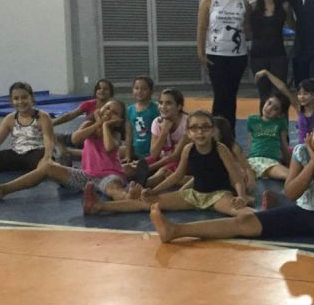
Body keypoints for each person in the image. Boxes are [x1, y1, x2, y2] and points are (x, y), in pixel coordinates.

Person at [148, 114, 314, 278]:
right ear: (310, 134)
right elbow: (291, 192)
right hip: (303, 211)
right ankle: (176, 230)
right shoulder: (301, 151)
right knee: (244, 221)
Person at [83, 110, 251, 217]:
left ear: (213, 131)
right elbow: (177, 175)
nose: (200, 132)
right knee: (146, 203)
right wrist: (154, 191)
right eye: (194, 128)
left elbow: (235, 177)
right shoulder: (188, 149)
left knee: (237, 210)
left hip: (218, 195)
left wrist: (241, 196)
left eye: (205, 127)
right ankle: (99, 206)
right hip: (194, 195)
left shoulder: (220, 148)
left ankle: (261, 213)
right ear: (188, 133)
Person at [0, 99, 129, 201]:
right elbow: (75, 139)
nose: (109, 112)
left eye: (114, 112)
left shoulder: (114, 133)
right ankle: (3, 189)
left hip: (109, 175)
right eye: (107, 108)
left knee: (113, 189)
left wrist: (105, 126)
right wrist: (97, 124)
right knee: (48, 168)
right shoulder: (89, 125)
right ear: (100, 109)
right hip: (86, 176)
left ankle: (130, 198)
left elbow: (109, 146)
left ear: (119, 120)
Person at [197, 0, 251, 132]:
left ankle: (229, 133)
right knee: (220, 95)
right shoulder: (209, 0)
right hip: (215, 55)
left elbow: (248, 30)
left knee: (231, 96)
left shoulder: (244, 3)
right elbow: (202, 28)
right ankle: (215, 133)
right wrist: (201, 52)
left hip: (238, 57)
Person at [253, 69, 314, 144]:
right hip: (301, 148)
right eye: (299, 94)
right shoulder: (299, 108)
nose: (301, 97)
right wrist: (267, 73)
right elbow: (283, 88)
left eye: (305, 94)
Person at [132, 88, 190, 188]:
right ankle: (124, 182)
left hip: (183, 161)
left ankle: (139, 187)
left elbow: (176, 156)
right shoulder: (156, 122)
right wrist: (164, 132)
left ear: (179, 106)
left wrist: (150, 167)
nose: (163, 107)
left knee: (163, 171)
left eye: (168, 103)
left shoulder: (187, 123)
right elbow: (154, 153)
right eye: (161, 103)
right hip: (162, 158)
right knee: (132, 166)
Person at [250, 0, 291, 112]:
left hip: (278, 55)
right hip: (258, 56)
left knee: (280, 94)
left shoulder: (284, 6)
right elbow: (245, 27)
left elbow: (292, 25)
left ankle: (282, 126)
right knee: (264, 94)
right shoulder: (252, 6)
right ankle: (264, 125)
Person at [52, 78, 115, 164]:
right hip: (83, 136)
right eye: (99, 88)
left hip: (101, 140)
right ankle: (66, 153)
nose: (102, 90)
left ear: (111, 93)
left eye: (105, 89)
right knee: (55, 137)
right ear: (95, 92)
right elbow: (70, 115)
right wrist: (53, 122)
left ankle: (70, 153)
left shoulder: (114, 108)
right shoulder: (89, 104)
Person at [247, 92, 291, 181]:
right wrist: (247, 160)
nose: (269, 108)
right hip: (253, 161)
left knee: (291, 176)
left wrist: (288, 162)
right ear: (265, 101)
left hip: (271, 163)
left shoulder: (280, 122)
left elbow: (283, 144)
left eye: (275, 108)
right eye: (269, 103)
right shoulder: (252, 120)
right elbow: (250, 142)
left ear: (280, 114)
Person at [213, 116, 257, 195]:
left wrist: (251, 180)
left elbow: (246, 166)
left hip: (236, 177)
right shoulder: (210, 146)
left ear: (222, 132)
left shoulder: (233, 147)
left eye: (213, 130)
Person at [124, 76, 159, 162]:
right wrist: (128, 155)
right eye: (136, 88)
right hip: (136, 152)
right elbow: (129, 134)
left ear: (151, 91)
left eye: (144, 89)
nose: (139, 91)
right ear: (132, 90)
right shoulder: (130, 110)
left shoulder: (156, 109)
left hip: (152, 153)